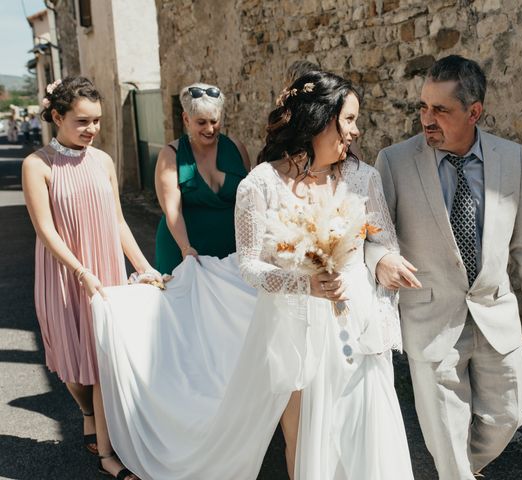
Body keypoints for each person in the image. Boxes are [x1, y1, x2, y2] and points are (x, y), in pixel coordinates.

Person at [91, 71, 414, 480]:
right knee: (301, 432)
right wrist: (304, 283)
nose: (356, 130)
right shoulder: (260, 183)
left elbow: (381, 240)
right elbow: (250, 264)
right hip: (296, 323)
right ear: (318, 119)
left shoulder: (363, 177)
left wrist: (383, 261)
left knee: (366, 427)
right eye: (348, 119)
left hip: (358, 319)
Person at [368, 54, 522, 479]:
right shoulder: (394, 161)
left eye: (440, 110)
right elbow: (373, 237)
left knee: (511, 413)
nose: (426, 119)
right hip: (431, 320)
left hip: (495, 315)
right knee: (446, 441)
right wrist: (381, 261)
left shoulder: (511, 157)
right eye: (423, 107)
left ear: (474, 112)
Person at [22, 76, 161, 480]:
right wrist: (81, 271)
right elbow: (45, 230)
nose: (92, 129)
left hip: (106, 272)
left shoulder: (102, 161)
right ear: (56, 116)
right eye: (82, 121)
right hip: (64, 274)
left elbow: (118, 222)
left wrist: (143, 267)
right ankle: (87, 414)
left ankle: (107, 452)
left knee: (102, 361)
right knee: (72, 365)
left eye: (97, 121)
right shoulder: (37, 165)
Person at [154, 83, 250, 274]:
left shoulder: (236, 148)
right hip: (185, 250)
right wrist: (185, 248)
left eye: (214, 121)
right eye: (201, 122)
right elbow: (172, 210)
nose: (210, 129)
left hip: (231, 252)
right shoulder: (171, 155)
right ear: (186, 119)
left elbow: (249, 201)